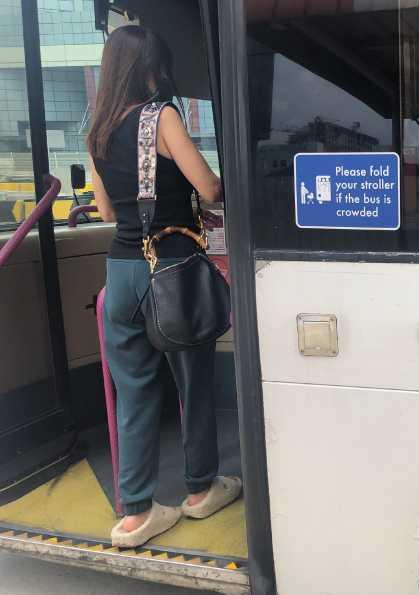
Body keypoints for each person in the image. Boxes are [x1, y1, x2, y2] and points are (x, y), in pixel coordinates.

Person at [87, 25, 241, 548]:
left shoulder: (98, 129)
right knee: (193, 379)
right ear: (152, 70)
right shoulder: (162, 117)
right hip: (171, 268)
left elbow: (106, 211)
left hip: (122, 271)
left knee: (132, 392)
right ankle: (199, 490)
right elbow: (210, 186)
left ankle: (135, 512)